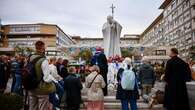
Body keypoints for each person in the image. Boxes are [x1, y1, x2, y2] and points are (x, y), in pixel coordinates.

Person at [29, 41, 57, 110]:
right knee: (42, 108)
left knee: (32, 107)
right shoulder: (43, 60)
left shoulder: (30, 58)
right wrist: (53, 80)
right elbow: (46, 78)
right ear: (43, 48)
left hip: (31, 86)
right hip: (41, 89)